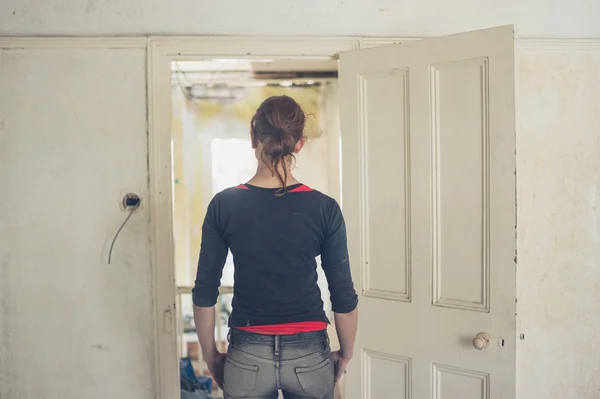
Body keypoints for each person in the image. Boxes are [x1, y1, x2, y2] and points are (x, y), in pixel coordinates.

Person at [192, 95, 359, 399]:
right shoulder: (325, 208)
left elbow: (204, 292)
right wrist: (345, 354)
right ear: (299, 143)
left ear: (253, 138)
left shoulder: (224, 205)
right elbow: (343, 295)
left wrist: (211, 355)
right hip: (309, 352)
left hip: (247, 351)